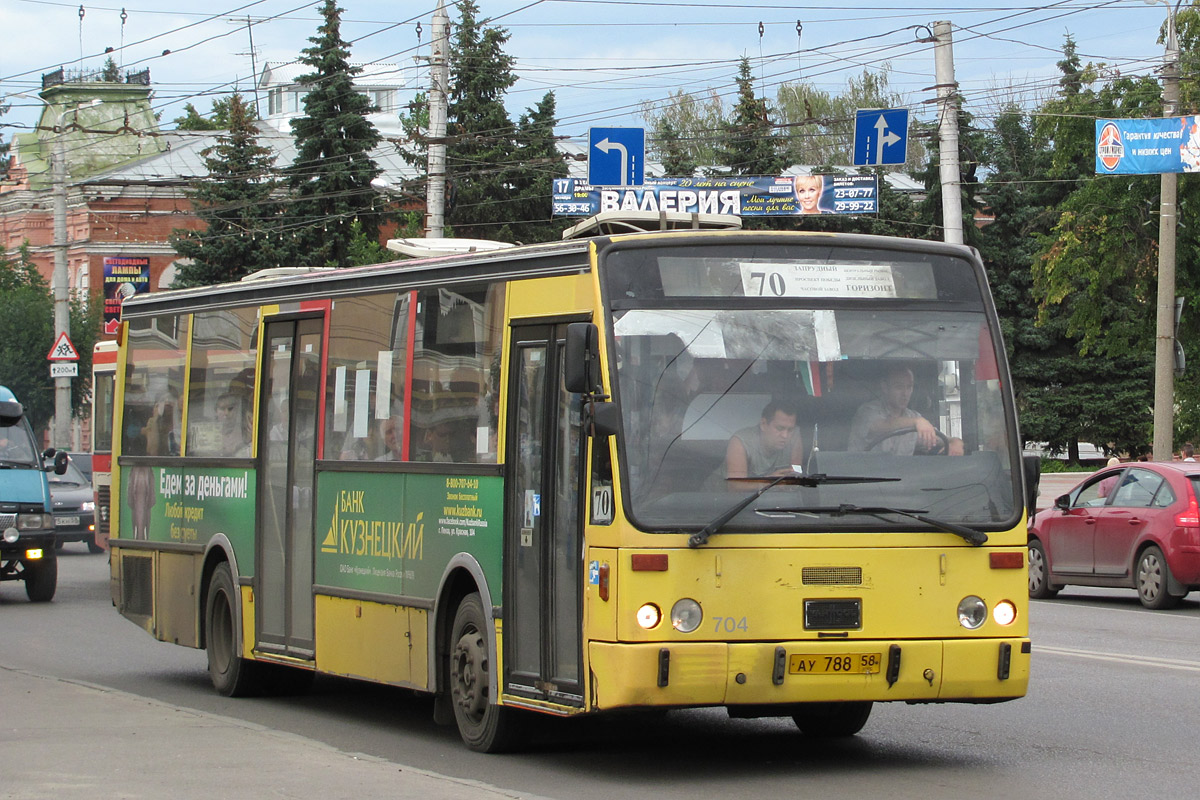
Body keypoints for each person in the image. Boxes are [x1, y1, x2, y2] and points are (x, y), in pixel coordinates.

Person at [847, 364, 939, 455]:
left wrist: (952, 441)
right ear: (885, 387)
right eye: (899, 387)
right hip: (863, 469)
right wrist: (917, 422)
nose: (905, 393)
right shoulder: (867, 411)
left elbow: (934, 437)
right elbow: (879, 427)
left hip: (902, 469)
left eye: (909, 387)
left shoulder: (913, 416)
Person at [725, 400, 805, 479]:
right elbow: (735, 486)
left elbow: (795, 476)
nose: (785, 435)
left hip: (774, 491)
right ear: (763, 424)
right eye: (780, 428)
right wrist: (769, 482)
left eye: (790, 430)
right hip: (719, 490)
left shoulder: (795, 436)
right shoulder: (740, 441)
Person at [215, 392, 250, 456]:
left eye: (230, 409)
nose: (226, 413)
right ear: (216, 412)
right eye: (222, 408)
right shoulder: (209, 433)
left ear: (236, 411)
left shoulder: (245, 432)